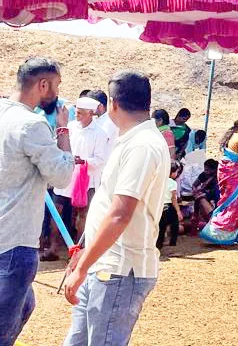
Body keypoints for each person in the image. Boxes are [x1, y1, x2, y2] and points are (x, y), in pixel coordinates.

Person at [62, 70, 171, 345]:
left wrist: (83, 266)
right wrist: (84, 257)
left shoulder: (142, 145)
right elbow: (109, 206)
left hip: (120, 268)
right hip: (106, 264)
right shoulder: (133, 141)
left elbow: (120, 215)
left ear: (112, 104)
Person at [0, 57, 75, 344]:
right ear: (43, 85)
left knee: (25, 305)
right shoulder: (32, 124)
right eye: (56, 85)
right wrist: (63, 131)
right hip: (15, 241)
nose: (58, 93)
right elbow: (62, 176)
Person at [54, 97, 108, 240]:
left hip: (86, 179)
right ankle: (53, 245)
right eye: (76, 112)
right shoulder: (70, 127)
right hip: (66, 174)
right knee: (57, 209)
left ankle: (78, 246)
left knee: (83, 213)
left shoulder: (100, 133)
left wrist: (83, 161)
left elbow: (101, 160)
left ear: (90, 113)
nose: (76, 115)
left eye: (80, 113)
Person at [199, 117, 238, 245]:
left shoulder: (231, 136)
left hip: (226, 172)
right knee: (234, 203)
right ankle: (220, 234)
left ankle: (219, 232)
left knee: (227, 201)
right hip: (235, 174)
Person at [157, 161, 183, 249]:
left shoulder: (159, 181)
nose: (177, 174)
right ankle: (172, 242)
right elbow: (173, 199)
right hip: (169, 206)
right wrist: (178, 211)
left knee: (161, 227)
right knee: (175, 225)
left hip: (160, 206)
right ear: (172, 172)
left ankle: (159, 244)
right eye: (176, 172)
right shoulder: (172, 183)